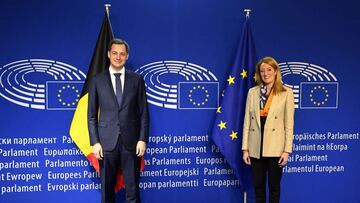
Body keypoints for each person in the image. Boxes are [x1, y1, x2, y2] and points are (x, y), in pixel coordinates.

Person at [88, 38, 149, 203]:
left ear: (127, 56)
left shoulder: (137, 80)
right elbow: (91, 115)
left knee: (133, 191)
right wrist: (95, 142)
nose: (118, 57)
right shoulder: (97, 80)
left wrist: (142, 139)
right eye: (114, 53)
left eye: (122, 54)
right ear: (108, 54)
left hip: (131, 143)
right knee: (107, 192)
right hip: (106, 143)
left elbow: (144, 113)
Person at [242, 56, 294, 203]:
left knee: (274, 188)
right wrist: (245, 148)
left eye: (269, 70)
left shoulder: (286, 93)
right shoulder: (252, 92)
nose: (266, 73)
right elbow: (247, 121)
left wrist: (287, 150)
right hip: (255, 147)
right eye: (262, 71)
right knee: (258, 188)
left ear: (276, 71)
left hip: (276, 148)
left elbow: (289, 124)